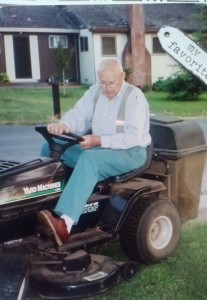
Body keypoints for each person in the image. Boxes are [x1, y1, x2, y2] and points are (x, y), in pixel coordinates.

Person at [38, 58, 151, 247]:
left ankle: (65, 224)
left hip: (132, 151)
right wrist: (63, 126)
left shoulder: (135, 98)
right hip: (102, 149)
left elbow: (132, 137)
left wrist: (98, 140)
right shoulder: (95, 92)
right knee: (51, 146)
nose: (107, 88)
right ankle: (45, 202)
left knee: (89, 159)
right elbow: (78, 115)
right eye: (103, 82)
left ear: (122, 76)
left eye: (112, 83)